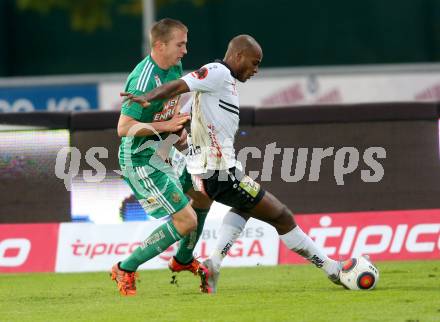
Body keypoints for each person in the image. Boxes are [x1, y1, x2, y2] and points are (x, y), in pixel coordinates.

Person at [121, 34, 344, 294]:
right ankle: (332, 268)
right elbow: (178, 86)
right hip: (219, 173)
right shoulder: (216, 72)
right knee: (282, 216)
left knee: (244, 207)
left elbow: (195, 110)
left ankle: (209, 263)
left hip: (213, 169)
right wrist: (149, 96)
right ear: (238, 56)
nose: (256, 70)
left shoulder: (221, 81)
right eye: (254, 62)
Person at [111, 18, 213, 296]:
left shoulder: (174, 67)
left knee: (204, 191)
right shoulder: (143, 79)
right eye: (180, 45)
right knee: (186, 220)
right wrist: (165, 127)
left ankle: (182, 260)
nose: (185, 51)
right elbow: (123, 128)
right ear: (160, 45)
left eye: (185, 44)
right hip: (141, 160)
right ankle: (125, 267)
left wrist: (175, 131)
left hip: (163, 151)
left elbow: (166, 111)